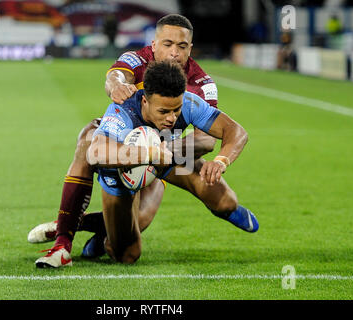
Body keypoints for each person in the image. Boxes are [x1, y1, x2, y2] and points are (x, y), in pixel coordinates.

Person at [32, 14, 256, 267]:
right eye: (168, 44)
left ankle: (81, 222)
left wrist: (166, 152)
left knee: (224, 201)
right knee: (88, 139)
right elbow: (115, 77)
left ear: (190, 49)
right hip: (127, 143)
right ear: (154, 44)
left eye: (181, 47)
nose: (174, 53)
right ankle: (66, 237)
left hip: (173, 150)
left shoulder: (201, 85)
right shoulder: (136, 60)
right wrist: (115, 86)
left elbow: (205, 141)